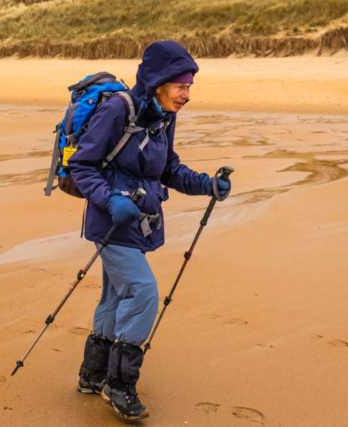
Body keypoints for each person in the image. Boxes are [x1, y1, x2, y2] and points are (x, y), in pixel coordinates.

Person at [69, 41, 231, 420]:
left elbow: (168, 168)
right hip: (110, 223)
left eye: (189, 87)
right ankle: (119, 384)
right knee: (143, 292)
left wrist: (207, 184)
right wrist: (110, 200)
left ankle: (93, 375)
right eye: (181, 87)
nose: (187, 95)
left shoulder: (163, 116)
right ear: (159, 83)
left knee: (115, 295)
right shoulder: (117, 110)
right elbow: (82, 165)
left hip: (138, 224)